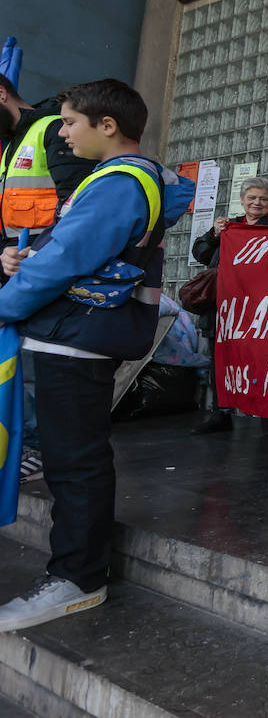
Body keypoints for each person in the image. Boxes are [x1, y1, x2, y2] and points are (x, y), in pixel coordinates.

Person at [0, 79, 192, 632]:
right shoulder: (128, 180)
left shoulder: (117, 185)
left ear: (107, 126)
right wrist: (28, 255)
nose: (60, 133)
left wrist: (7, 302)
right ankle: (75, 572)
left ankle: (77, 578)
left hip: (77, 335)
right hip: (79, 332)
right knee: (70, 455)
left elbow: (67, 261)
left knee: (74, 460)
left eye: (68, 123)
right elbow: (69, 250)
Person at [0, 73, 99, 486]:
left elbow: (77, 207)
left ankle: (37, 446)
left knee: (33, 362)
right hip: (15, 267)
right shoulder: (9, 147)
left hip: (43, 274)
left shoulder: (51, 129)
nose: (70, 129)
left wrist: (36, 259)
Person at [189, 177, 268, 435]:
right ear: (242, 201)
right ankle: (221, 414)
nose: (257, 203)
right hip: (223, 308)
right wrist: (213, 234)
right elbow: (199, 253)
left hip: (258, 308)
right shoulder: (229, 227)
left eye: (263, 199)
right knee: (220, 361)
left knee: (262, 362)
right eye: (252, 198)